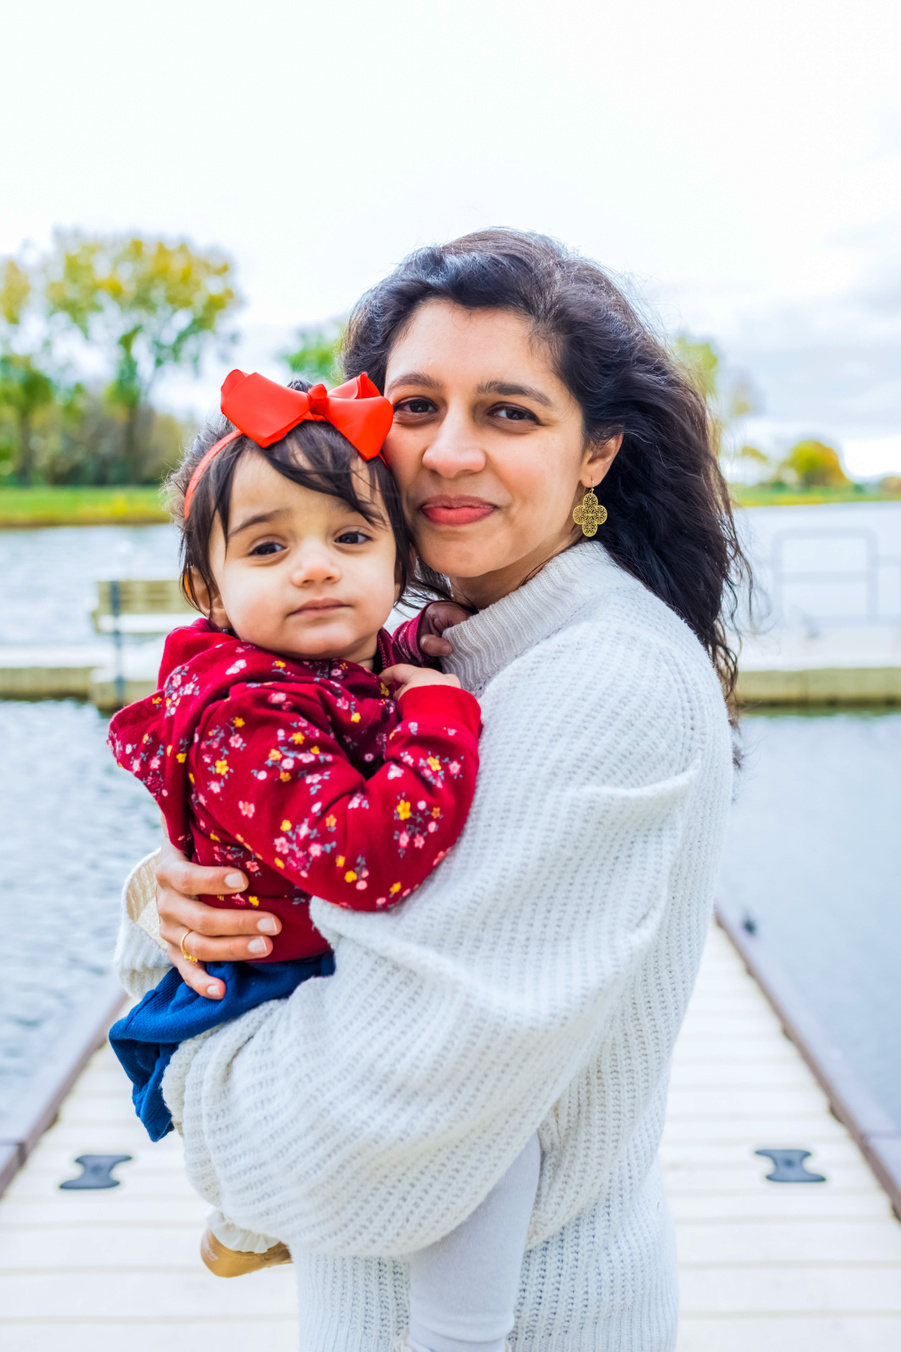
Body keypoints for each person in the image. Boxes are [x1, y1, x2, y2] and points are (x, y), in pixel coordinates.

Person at [114, 229, 746, 1352]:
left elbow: (363, 1144)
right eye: (415, 406)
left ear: (595, 451)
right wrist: (175, 893)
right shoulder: (440, 647)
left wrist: (182, 1053)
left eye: (509, 412)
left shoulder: (605, 677)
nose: (449, 451)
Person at [107, 368, 542, 1329]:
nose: (314, 566)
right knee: (492, 1135)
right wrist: (437, 712)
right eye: (269, 546)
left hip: (296, 962)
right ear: (206, 589)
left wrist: (405, 666)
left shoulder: (319, 673)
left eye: (349, 537)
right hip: (267, 988)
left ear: (398, 560)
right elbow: (369, 861)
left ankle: (247, 1220)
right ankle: (457, 1333)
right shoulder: (249, 712)